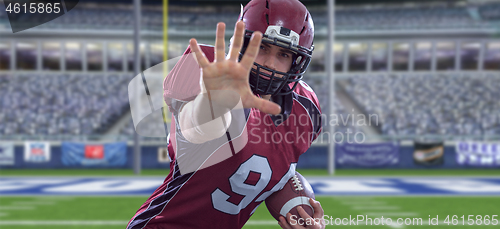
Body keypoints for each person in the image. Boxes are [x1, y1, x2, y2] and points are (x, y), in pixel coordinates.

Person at [127, 0, 325, 228]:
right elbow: (200, 127)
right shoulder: (209, 75)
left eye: (283, 54)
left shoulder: (305, 108)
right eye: (261, 47)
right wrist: (213, 101)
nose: (271, 63)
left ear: (296, 62)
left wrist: (297, 209)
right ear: (241, 44)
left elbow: (272, 172)